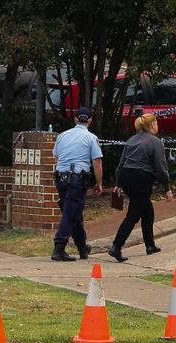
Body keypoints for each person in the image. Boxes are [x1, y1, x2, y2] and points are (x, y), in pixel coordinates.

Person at [108, 113, 173, 263]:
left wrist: (118, 183)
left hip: (127, 177)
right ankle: (116, 246)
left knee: (148, 211)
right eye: (156, 123)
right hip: (141, 179)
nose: (157, 125)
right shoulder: (155, 142)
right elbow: (161, 167)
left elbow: (121, 163)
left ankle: (150, 244)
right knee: (133, 215)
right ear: (151, 125)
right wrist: (167, 188)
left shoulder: (131, 140)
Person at [51, 107, 103, 261]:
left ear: (75, 120)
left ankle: (82, 248)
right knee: (70, 213)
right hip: (77, 179)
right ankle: (59, 247)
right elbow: (97, 162)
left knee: (74, 213)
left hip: (61, 177)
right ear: (90, 120)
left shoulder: (62, 136)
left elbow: (56, 158)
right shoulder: (91, 138)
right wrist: (99, 183)